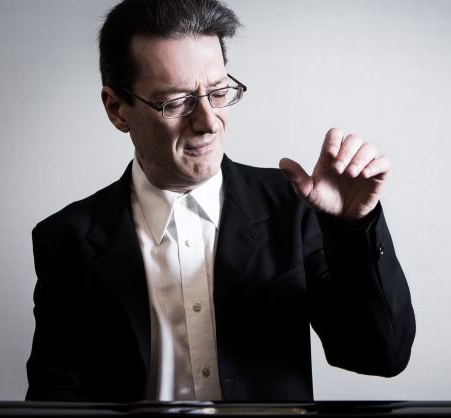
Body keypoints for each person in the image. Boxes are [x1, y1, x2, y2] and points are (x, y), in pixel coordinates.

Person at [26, 0, 415, 403]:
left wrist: (353, 227)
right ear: (117, 109)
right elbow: (55, 398)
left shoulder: (293, 206)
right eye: (176, 101)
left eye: (217, 92)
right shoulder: (67, 239)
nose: (209, 121)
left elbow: (380, 356)